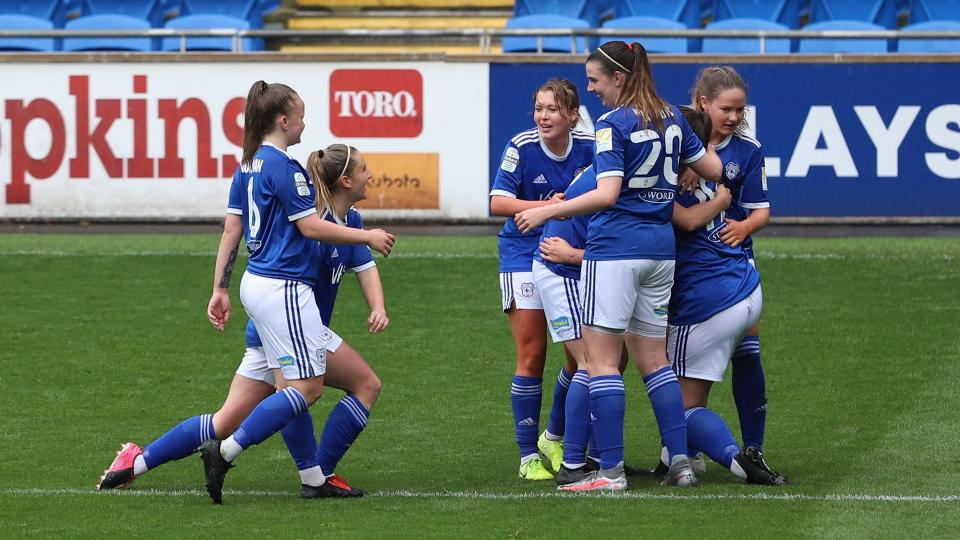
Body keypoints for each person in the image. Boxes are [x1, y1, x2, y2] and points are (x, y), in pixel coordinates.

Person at [94, 81, 394, 504]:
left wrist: (220, 288)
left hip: (259, 289)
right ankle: (231, 454)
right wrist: (366, 236)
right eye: (302, 115)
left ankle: (134, 463)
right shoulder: (285, 169)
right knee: (308, 388)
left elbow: (232, 230)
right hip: (283, 289)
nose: (305, 123)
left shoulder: (247, 165)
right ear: (284, 120)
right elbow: (309, 227)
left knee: (232, 413)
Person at [515, 41, 722, 492]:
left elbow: (607, 194)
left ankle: (608, 472)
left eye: (595, 80)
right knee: (655, 360)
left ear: (619, 78)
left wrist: (551, 211)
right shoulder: (671, 116)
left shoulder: (613, 124)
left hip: (614, 251)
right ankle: (681, 463)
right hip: (660, 250)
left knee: (602, 364)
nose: (591, 90)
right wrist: (685, 173)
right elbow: (715, 167)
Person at [668, 105, 788, 486]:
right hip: (746, 284)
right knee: (703, 376)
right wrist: (720, 201)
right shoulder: (712, 174)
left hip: (711, 301)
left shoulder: (665, 178)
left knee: (674, 402)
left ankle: (737, 458)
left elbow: (684, 220)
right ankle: (682, 455)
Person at [489, 79, 594, 480]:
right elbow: (497, 202)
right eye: (538, 108)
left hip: (569, 252)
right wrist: (545, 207)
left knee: (579, 355)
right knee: (533, 354)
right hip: (522, 254)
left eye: (551, 109)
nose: (543, 117)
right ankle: (527, 454)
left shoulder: (590, 145)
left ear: (571, 114)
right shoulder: (522, 146)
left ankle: (554, 435)